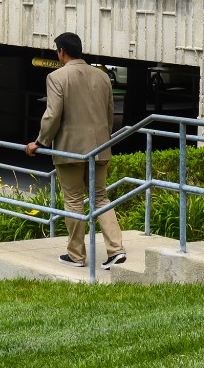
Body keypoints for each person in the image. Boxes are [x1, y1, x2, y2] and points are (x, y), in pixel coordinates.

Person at [25, 32, 127, 270]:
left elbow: (52, 114)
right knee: (101, 197)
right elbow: (110, 113)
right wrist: (104, 139)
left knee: (73, 201)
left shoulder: (56, 77)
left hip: (70, 150)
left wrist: (40, 142)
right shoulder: (102, 77)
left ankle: (76, 255)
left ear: (61, 51)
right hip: (100, 148)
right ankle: (116, 250)